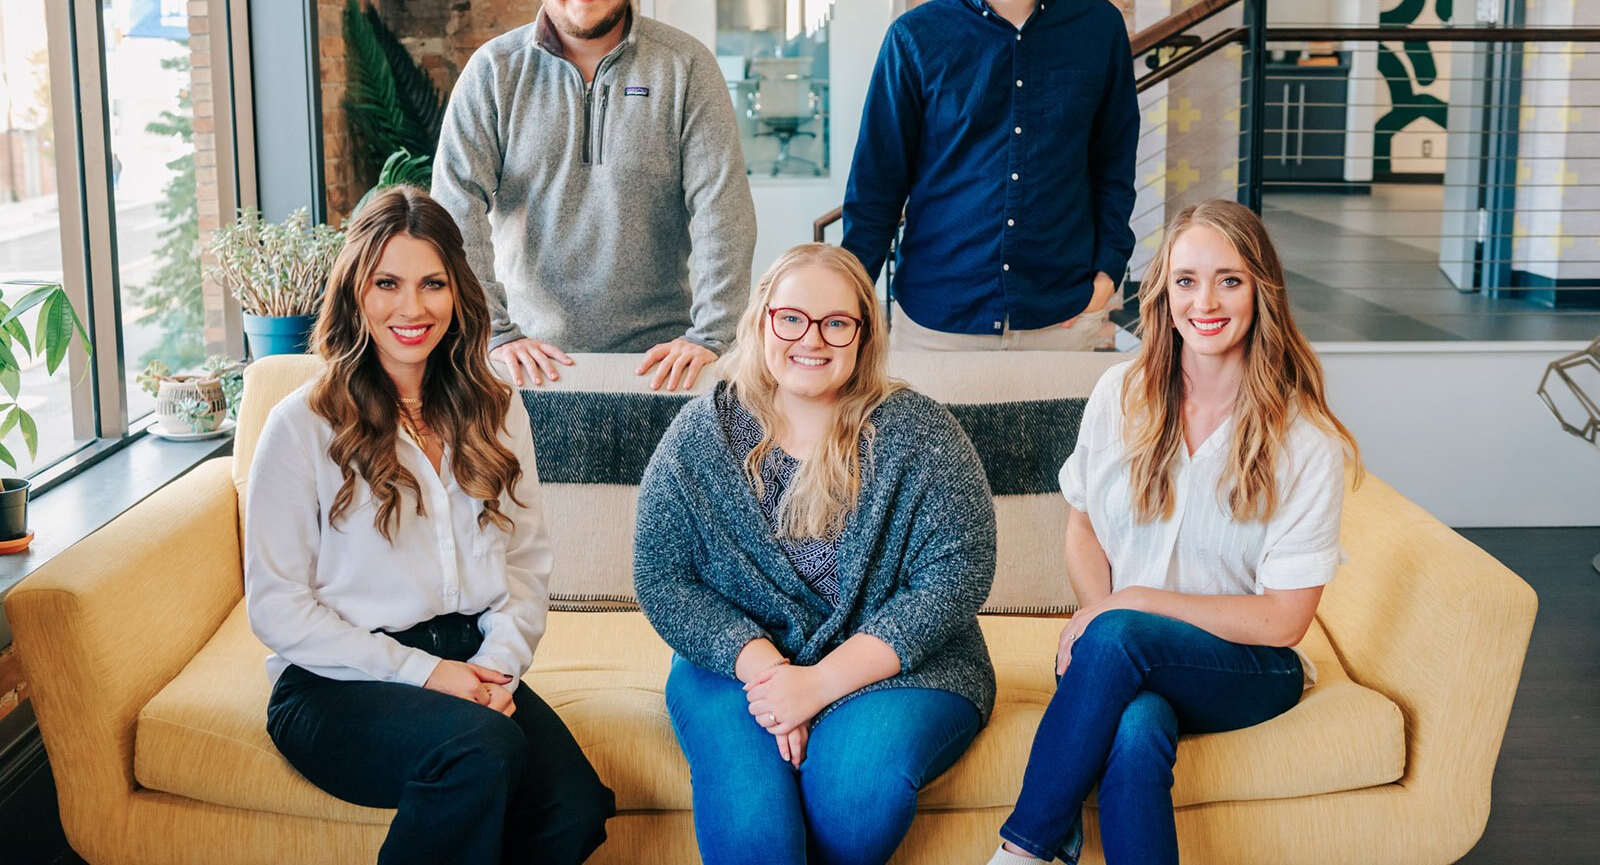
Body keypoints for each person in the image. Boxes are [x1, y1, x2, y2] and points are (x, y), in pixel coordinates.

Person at [984, 199, 1363, 865]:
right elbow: (1084, 528)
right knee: (1136, 726)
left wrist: (1125, 606)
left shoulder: (1306, 442)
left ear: (1261, 291)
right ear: (1162, 292)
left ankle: (1025, 850)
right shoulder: (1121, 394)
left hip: (1248, 667)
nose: (1205, 301)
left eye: (1230, 279)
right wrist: (1109, 611)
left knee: (1121, 634)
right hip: (1119, 653)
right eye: (1186, 280)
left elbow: (1283, 623)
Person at [245, 186, 614, 865]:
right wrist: (426, 675)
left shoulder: (497, 409)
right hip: (335, 681)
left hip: (470, 660)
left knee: (575, 808)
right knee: (481, 751)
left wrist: (494, 669)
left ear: (458, 294)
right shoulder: (301, 425)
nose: (411, 308)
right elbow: (277, 607)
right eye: (387, 283)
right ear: (357, 292)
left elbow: (527, 562)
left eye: (432, 283)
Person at [633, 243, 997, 865]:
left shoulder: (921, 433)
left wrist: (820, 684)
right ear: (762, 319)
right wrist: (774, 677)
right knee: (756, 836)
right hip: (735, 666)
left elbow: (957, 575)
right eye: (792, 317)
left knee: (854, 803)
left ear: (863, 336)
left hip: (903, 669)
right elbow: (663, 575)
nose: (813, 339)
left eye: (836, 323)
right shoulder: (702, 435)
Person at [431, 0, 757, 392]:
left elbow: (722, 206)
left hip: (663, 363)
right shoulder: (495, 71)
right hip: (529, 363)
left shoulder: (684, 66)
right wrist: (492, 330)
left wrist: (711, 335)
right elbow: (454, 207)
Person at [842, 0, 1138, 351]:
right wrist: (846, 305)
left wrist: (1108, 275)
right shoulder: (914, 38)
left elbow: (1113, 163)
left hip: (1062, 318)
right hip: (937, 320)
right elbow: (877, 185)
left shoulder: (1099, 27)